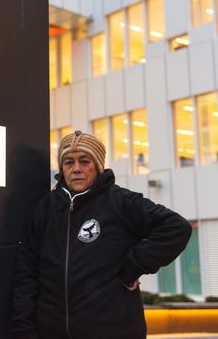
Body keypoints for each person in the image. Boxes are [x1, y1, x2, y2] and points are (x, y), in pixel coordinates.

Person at [11, 130, 192, 339]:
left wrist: (133, 266)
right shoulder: (45, 210)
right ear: (61, 168)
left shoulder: (121, 202)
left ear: (97, 165)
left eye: (84, 161)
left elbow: (176, 227)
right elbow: (27, 273)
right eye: (69, 162)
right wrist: (23, 329)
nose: (76, 168)